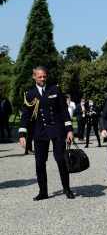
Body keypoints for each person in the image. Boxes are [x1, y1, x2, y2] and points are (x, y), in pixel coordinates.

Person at [18, 66, 75, 200]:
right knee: (40, 163)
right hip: (40, 131)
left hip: (57, 130)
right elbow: (25, 116)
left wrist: (69, 130)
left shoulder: (54, 89)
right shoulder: (30, 94)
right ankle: (43, 192)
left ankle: (67, 189)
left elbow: (63, 111)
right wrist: (22, 135)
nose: (42, 79)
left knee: (61, 160)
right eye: (40, 76)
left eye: (44, 76)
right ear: (34, 77)